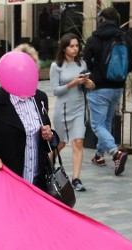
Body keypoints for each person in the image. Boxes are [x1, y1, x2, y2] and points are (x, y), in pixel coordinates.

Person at [0, 44, 56, 191]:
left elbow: (46, 140)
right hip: (7, 183)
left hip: (38, 183)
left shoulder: (39, 98)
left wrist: (50, 136)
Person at [83, 7, 132, 176]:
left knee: (97, 125)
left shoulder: (94, 39)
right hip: (117, 87)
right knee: (106, 122)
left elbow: (86, 63)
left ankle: (115, 153)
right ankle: (99, 155)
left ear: (101, 20)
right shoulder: (124, 38)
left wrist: (95, 75)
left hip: (98, 88)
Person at [50, 33, 93, 192]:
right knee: (61, 142)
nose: (75, 49)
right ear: (64, 47)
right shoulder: (56, 66)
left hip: (79, 106)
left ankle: (76, 179)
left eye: (77, 45)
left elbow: (85, 85)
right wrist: (72, 83)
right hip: (63, 109)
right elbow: (55, 91)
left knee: (78, 141)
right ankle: (48, 162)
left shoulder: (82, 64)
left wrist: (89, 83)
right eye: (71, 46)